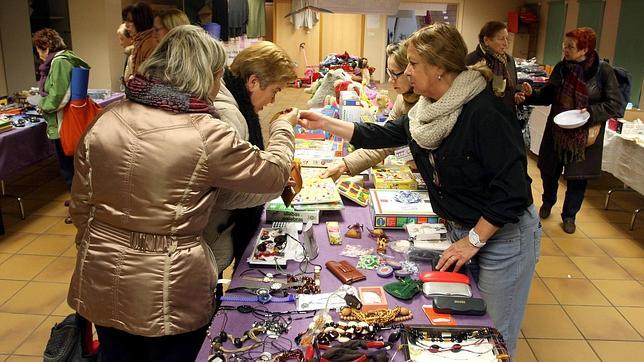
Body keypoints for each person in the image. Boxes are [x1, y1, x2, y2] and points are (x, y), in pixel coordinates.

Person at [297, 23, 540, 357]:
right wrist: (325, 123)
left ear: (439, 68)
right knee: (464, 324)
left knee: (493, 334)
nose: (407, 72)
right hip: (463, 228)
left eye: (413, 64)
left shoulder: (486, 112)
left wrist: (472, 241)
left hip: (503, 238)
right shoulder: (426, 111)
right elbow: (380, 134)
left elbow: (512, 191)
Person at [67, 25, 297, 361]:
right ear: (209, 75)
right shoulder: (206, 134)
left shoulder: (106, 119)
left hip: (100, 275)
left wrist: (100, 244)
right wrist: (282, 129)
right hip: (169, 288)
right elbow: (274, 176)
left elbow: (81, 206)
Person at [205, 41, 297, 273]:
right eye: (274, 91)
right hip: (213, 234)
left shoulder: (234, 102)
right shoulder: (230, 116)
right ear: (253, 82)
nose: (273, 101)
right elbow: (226, 193)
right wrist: (271, 184)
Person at [521, 27, 623, 234]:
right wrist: (531, 96)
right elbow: (549, 95)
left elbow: (615, 104)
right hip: (557, 128)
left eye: (570, 46)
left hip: (584, 134)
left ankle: (569, 216)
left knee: (578, 177)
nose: (565, 50)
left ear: (585, 49)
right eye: (564, 45)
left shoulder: (603, 71)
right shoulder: (562, 67)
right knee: (549, 171)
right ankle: (548, 201)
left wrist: (591, 111)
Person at [320, 42, 419, 181]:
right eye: (388, 72)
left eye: (395, 74)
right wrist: (345, 163)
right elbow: (383, 140)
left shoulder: (426, 104)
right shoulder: (402, 100)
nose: (390, 79)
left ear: (411, 71)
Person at [32, 28, 90, 191]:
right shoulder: (65, 58)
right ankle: (78, 200)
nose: (38, 54)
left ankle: (77, 205)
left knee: (69, 167)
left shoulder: (59, 62)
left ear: (46, 46)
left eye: (38, 49)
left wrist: (41, 104)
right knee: (74, 165)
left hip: (62, 122)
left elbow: (59, 96)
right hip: (66, 120)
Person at [465, 21, 520, 114]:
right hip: (481, 118)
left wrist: (516, 95)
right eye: (501, 39)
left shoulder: (508, 60)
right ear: (486, 40)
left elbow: (512, 88)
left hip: (506, 117)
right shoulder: (471, 62)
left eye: (507, 39)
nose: (506, 44)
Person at [123, 1, 158, 79]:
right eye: (126, 21)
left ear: (140, 20)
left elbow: (149, 77)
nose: (126, 25)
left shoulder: (150, 42)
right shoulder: (139, 41)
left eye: (130, 21)